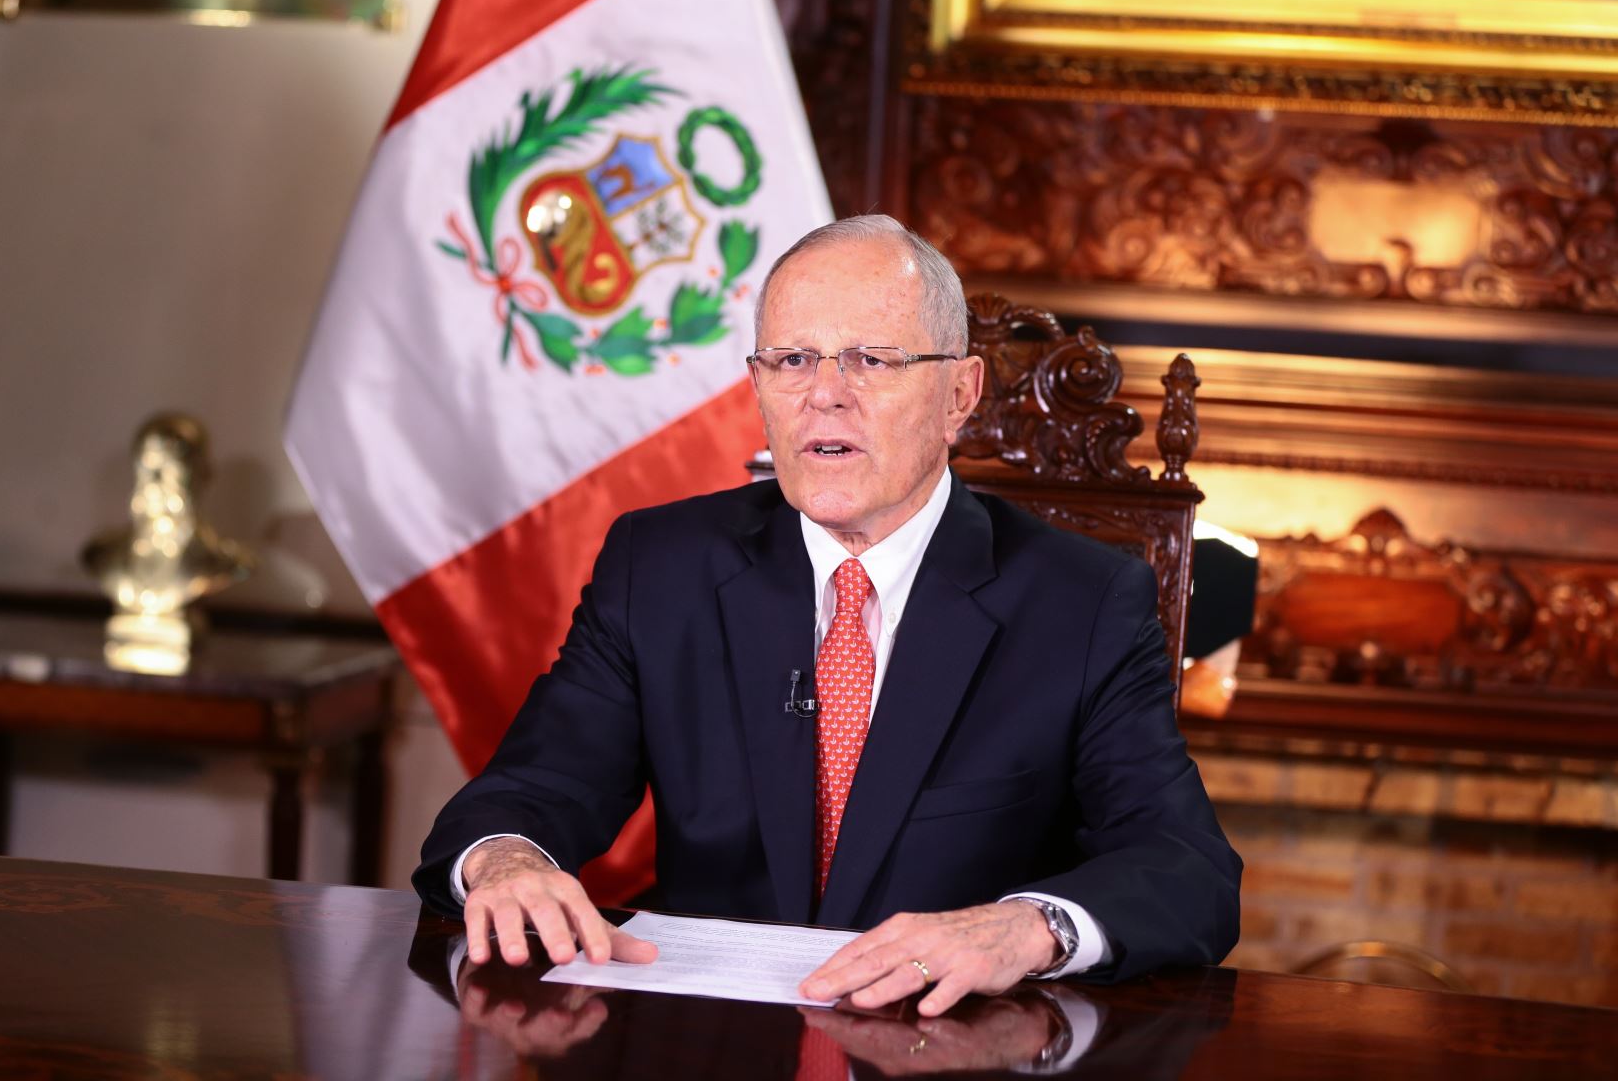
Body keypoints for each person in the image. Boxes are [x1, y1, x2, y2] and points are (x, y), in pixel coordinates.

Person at [414, 214, 1241, 1015]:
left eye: (871, 360)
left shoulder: (1083, 602)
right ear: (758, 386)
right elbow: (530, 789)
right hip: (707, 1045)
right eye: (793, 359)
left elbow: (1185, 868)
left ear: (959, 393)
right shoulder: (659, 567)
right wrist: (507, 862)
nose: (824, 397)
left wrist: (1031, 927)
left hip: (947, 1047)